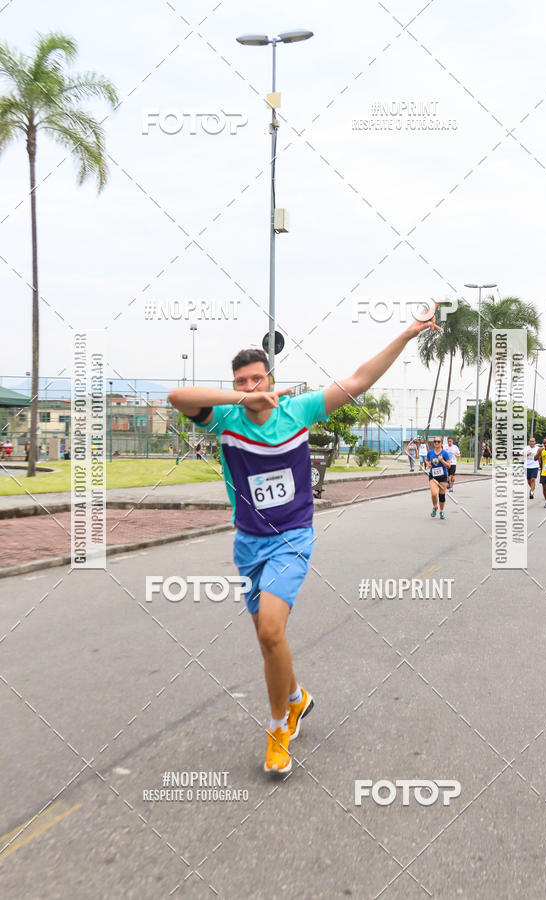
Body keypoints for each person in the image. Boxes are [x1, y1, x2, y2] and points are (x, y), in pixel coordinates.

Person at [168, 306, 441, 774]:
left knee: (272, 630)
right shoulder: (224, 421)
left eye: (258, 379)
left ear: (271, 378)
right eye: (242, 382)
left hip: (292, 537)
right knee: (266, 638)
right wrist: (239, 400)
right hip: (248, 543)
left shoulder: (299, 409)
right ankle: (295, 698)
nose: (251, 388)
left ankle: (278, 729)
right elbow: (177, 395)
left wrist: (408, 333)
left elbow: (357, 381)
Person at [425, 437, 452, 519]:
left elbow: (448, 465)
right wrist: (428, 464)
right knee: (434, 493)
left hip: (443, 476)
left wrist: (442, 460)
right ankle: (435, 507)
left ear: (441, 443)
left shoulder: (445, 453)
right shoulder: (430, 452)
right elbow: (427, 460)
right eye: (435, 441)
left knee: (441, 495)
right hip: (433, 476)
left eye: (438, 441)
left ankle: (441, 511)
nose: (436, 443)